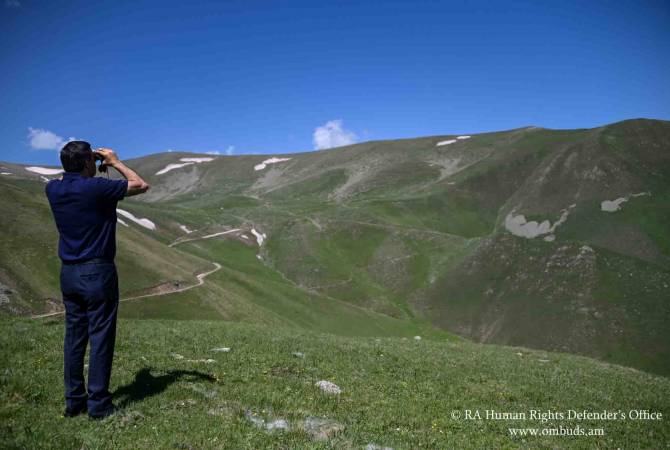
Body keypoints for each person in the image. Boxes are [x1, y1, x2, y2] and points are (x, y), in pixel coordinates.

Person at [45, 141, 149, 419]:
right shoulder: (96, 188)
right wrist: (114, 162)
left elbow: (64, 177)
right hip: (97, 271)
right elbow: (140, 185)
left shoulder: (53, 189)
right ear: (88, 163)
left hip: (68, 272)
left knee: (74, 336)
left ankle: (73, 400)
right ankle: (99, 403)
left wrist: (83, 164)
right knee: (101, 336)